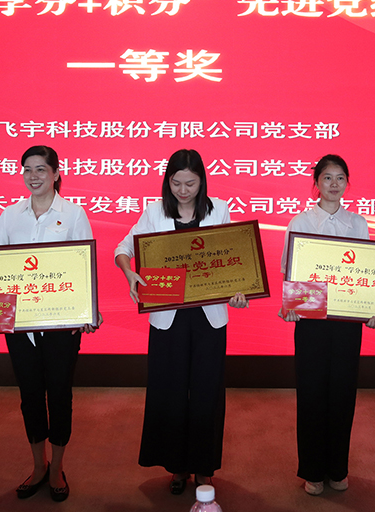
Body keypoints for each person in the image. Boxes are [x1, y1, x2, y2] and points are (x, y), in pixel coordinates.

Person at [114, 149, 248, 494]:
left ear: (202, 181)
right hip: (167, 317)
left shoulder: (219, 209)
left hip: (209, 317)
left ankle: (203, 467)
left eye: (191, 183)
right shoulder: (154, 211)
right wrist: (130, 273)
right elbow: (123, 249)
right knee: (170, 390)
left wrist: (240, 290)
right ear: (167, 181)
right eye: (176, 183)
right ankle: (177, 466)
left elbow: (235, 258)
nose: (183, 190)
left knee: (207, 391)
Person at [0, 145, 100, 502]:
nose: (33, 176)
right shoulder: (9, 216)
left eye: (41, 169)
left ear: (55, 173)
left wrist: (88, 310)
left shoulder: (73, 214)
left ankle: (57, 468)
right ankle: (38, 464)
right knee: (30, 396)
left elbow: (83, 265)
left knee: (60, 395)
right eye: (28, 169)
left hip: (61, 327)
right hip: (20, 327)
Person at [278, 154, 375, 496]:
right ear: (316, 183)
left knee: (342, 394)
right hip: (311, 321)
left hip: (347, 323)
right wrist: (290, 305)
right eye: (327, 178)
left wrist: (374, 308)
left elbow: (369, 272)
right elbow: (290, 272)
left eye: (340, 178)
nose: (334, 184)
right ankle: (312, 471)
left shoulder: (358, 223)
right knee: (311, 395)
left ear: (347, 183)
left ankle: (338, 468)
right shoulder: (300, 222)